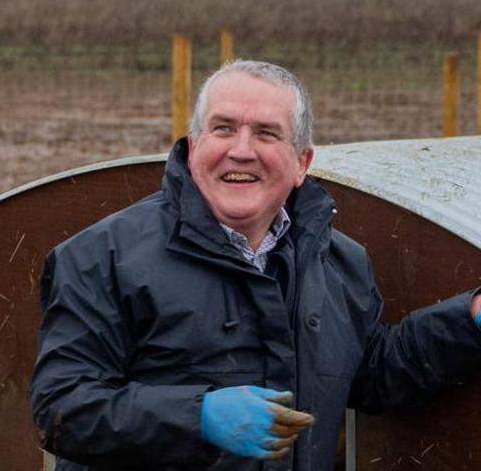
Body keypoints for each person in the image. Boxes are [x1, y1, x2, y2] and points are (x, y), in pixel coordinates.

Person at [31, 60, 481, 470]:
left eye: (266, 133)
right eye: (223, 129)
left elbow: (368, 374)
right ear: (193, 146)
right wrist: (197, 417)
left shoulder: (336, 261)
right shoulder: (104, 257)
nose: (241, 150)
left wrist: (469, 319)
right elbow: (62, 409)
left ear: (302, 162)